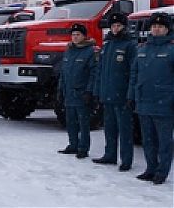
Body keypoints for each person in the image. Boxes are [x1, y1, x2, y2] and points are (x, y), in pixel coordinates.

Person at [128, 12, 173, 184]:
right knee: (148, 140)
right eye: (154, 26)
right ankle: (150, 168)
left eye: (160, 26)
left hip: (165, 103)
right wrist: (131, 96)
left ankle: (162, 172)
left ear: (167, 29)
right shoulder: (142, 49)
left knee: (164, 142)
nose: (156, 29)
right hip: (144, 102)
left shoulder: (172, 49)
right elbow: (134, 74)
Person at [92, 12, 136, 171]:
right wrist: (97, 91)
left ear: (124, 26)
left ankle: (126, 160)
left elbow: (133, 72)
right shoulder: (107, 45)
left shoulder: (130, 45)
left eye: (119, 25)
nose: (115, 28)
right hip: (107, 94)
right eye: (113, 25)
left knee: (125, 130)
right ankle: (110, 155)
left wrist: (130, 94)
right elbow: (100, 70)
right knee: (109, 128)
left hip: (122, 95)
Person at [57, 23, 96, 159]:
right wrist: (60, 90)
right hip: (69, 93)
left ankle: (83, 147)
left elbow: (93, 73)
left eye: (78, 35)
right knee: (70, 121)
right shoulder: (69, 50)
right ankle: (73, 144)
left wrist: (89, 91)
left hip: (81, 93)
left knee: (83, 123)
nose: (75, 37)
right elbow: (64, 72)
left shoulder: (90, 51)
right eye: (73, 35)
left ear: (84, 36)